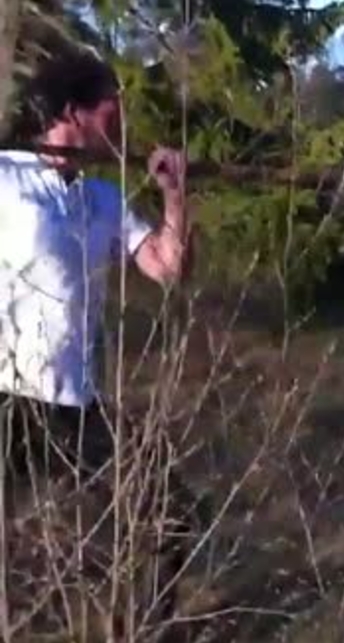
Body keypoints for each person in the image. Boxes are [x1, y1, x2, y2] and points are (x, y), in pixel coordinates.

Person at [0, 47, 197, 631]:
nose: (121, 123)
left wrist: (175, 195)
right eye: (112, 108)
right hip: (5, 393)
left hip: (76, 402)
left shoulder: (102, 198)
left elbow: (169, 269)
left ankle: (144, 631)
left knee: (168, 511)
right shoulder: (5, 178)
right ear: (73, 111)